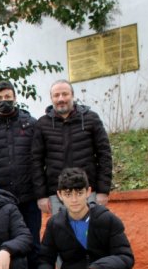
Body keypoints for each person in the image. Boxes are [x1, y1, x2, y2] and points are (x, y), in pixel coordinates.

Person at [0, 81, 42, 269]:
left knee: (33, 241)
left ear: (15, 98)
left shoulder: (31, 124)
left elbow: (39, 158)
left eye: (7, 97)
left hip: (29, 195)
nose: (3, 102)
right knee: (3, 243)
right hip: (2, 199)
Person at [32, 79, 113, 215]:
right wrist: (41, 195)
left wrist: (103, 191)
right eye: (56, 95)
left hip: (88, 192)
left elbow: (104, 155)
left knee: (91, 234)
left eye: (65, 94)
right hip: (57, 195)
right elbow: (36, 161)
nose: (61, 99)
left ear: (73, 95)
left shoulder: (91, 119)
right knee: (62, 235)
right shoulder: (42, 124)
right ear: (51, 98)